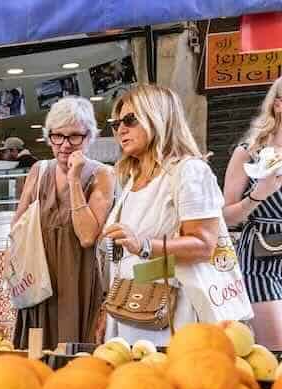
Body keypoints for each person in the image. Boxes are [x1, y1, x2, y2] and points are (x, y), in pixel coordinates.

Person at [102, 84, 224, 345]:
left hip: (173, 318)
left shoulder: (188, 172)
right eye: (116, 123)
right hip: (129, 311)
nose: (121, 129)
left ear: (158, 117)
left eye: (130, 120)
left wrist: (144, 245)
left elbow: (204, 244)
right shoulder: (132, 179)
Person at [12, 96, 115, 349]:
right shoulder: (39, 170)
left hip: (78, 281)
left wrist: (74, 180)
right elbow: (17, 226)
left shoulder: (102, 175)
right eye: (57, 136)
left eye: (74, 137)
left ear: (89, 137)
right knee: (35, 356)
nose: (64, 145)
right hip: (38, 278)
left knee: (73, 357)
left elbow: (88, 236)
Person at [223, 76, 282, 349]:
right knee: (274, 351)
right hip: (261, 258)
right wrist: (259, 194)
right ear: (278, 105)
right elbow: (226, 216)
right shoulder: (249, 153)